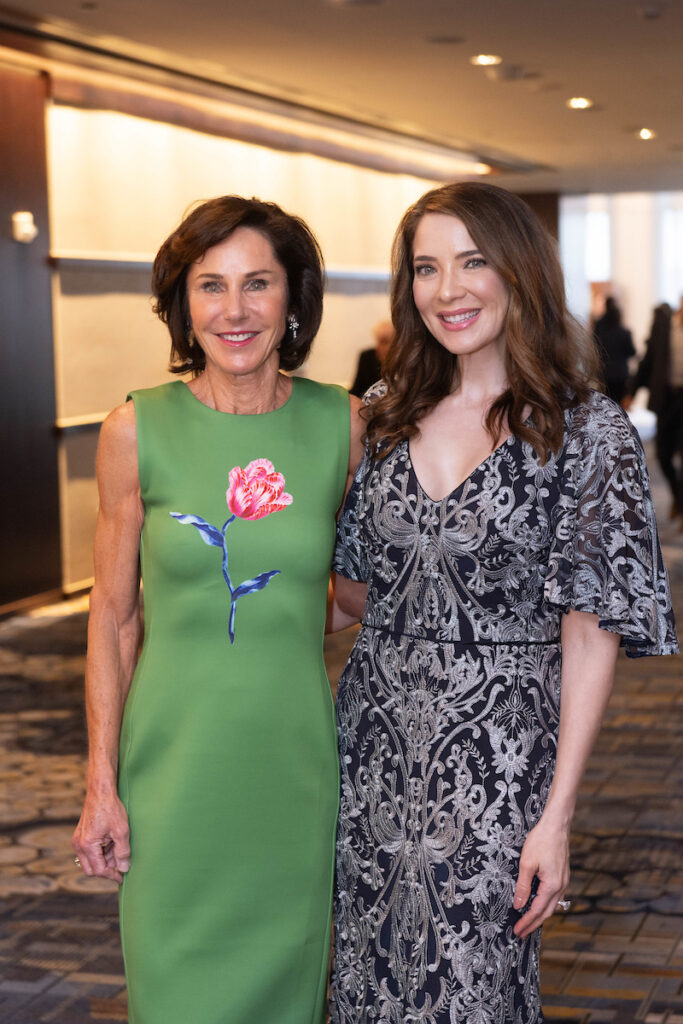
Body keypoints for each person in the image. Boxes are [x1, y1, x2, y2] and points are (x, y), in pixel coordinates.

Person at [328, 182, 678, 1024]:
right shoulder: (378, 419)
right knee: (357, 978)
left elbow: (590, 633)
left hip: (498, 760)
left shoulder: (582, 429)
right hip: (367, 750)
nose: (446, 289)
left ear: (518, 271)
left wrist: (554, 817)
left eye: (471, 262)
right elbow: (347, 594)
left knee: (472, 988)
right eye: (425, 268)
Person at [71, 195, 363, 1024]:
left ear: (293, 300)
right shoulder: (136, 429)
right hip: (172, 767)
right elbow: (115, 619)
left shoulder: (343, 425)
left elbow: (353, 591)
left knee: (288, 985)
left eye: (257, 285)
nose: (233, 311)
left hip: (290, 764)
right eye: (210, 286)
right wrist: (101, 782)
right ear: (181, 304)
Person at [628, 300, 683, 519]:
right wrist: (631, 391)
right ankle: (678, 495)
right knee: (663, 454)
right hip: (668, 399)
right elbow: (649, 359)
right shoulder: (664, 325)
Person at [593, 296, 635, 403]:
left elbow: (595, 349)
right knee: (619, 405)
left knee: (606, 403)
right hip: (621, 374)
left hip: (605, 373)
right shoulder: (625, 333)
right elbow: (631, 351)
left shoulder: (600, 330)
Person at [349, 319, 395, 397]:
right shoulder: (366, 356)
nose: (385, 347)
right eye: (381, 341)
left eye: (387, 342)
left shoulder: (401, 360)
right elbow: (357, 387)